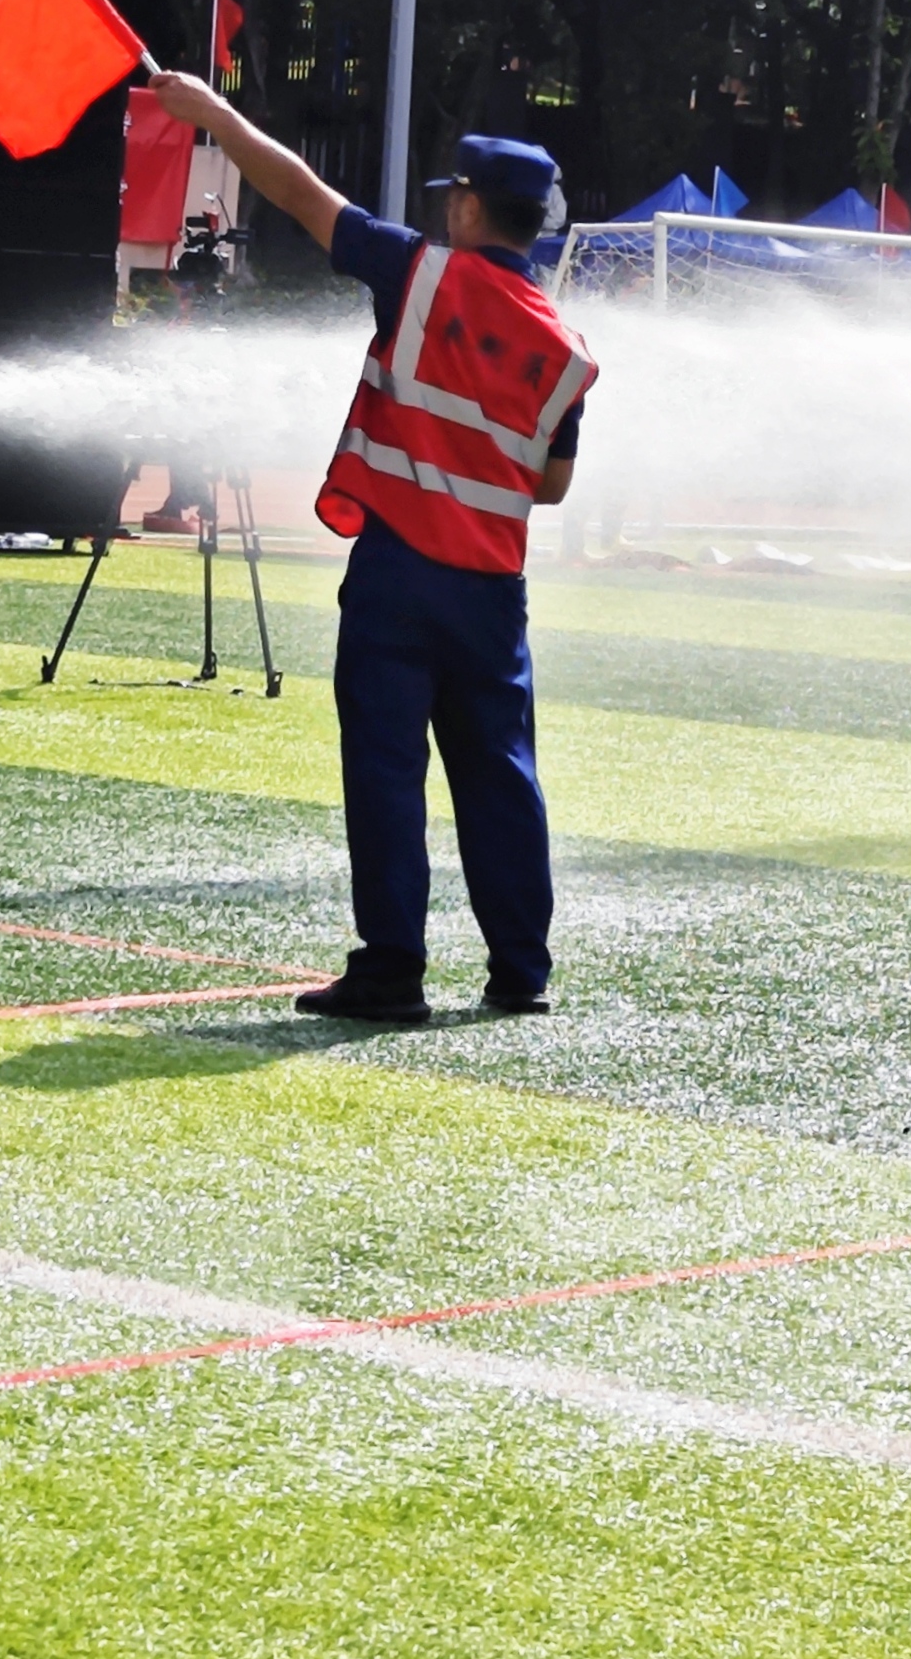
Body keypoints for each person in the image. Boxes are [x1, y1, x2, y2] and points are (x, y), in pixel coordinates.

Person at [147, 69, 591, 1022]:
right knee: (501, 775)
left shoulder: (418, 273)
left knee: (386, 773)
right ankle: (521, 971)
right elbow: (550, 484)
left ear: (470, 205)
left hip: (397, 577)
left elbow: (303, 193)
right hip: (490, 594)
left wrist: (217, 117)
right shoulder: (566, 347)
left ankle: (391, 970)